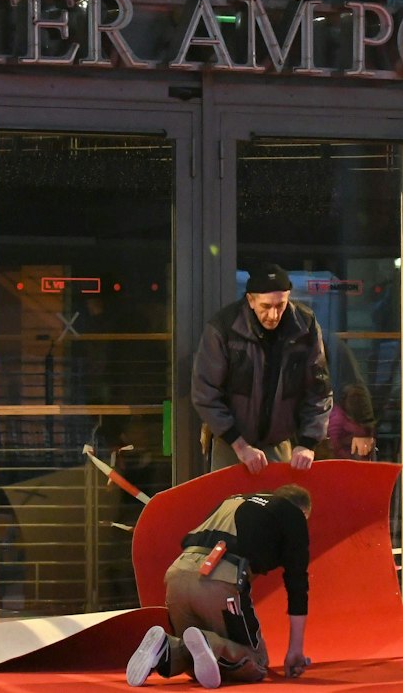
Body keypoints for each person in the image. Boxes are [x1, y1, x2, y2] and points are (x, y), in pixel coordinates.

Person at [125, 483, 315, 688]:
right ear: (303, 512)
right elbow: (297, 585)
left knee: (197, 659)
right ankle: (211, 643)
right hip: (219, 579)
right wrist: (295, 650)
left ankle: (166, 649)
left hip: (177, 575)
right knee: (256, 662)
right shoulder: (293, 515)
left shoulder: (234, 498)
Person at [192, 266, 335, 472]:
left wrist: (307, 443)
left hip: (278, 442)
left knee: (278, 503)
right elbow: (204, 392)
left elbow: (319, 389)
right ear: (250, 300)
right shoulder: (224, 326)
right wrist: (238, 443)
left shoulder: (305, 326)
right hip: (231, 442)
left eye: (280, 305)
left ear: (289, 298)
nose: (273, 314)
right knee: (230, 504)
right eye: (265, 306)